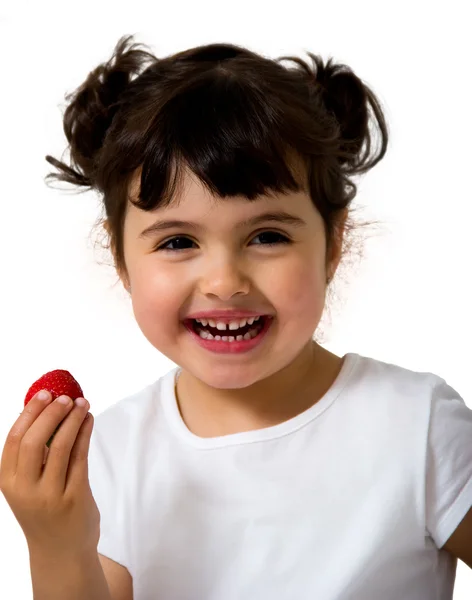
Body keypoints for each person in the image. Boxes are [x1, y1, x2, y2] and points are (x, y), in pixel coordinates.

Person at [1, 34, 471, 600]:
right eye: (177, 242)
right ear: (122, 258)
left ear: (332, 244)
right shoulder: (117, 451)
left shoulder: (417, 425)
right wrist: (56, 542)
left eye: (267, 236)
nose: (225, 282)